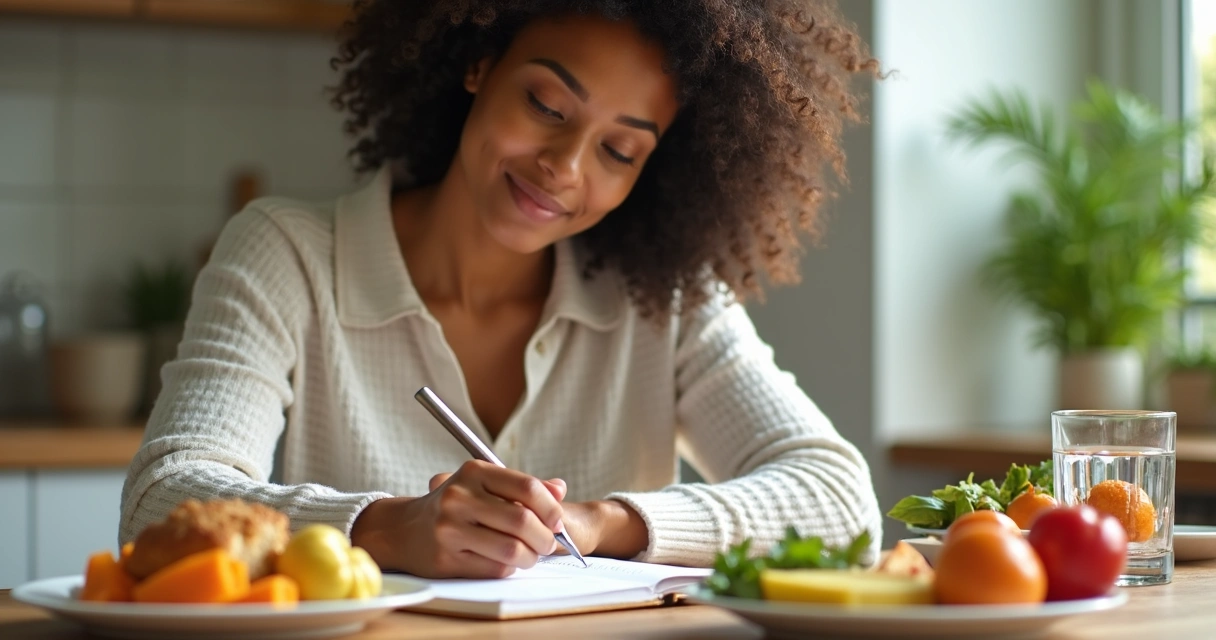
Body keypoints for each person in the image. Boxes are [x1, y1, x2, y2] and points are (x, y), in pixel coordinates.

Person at [120, 0, 884, 579]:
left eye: (618, 151)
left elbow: (840, 502)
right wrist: (383, 528)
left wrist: (598, 522)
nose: (565, 166)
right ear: (480, 63)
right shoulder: (291, 254)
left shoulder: (668, 299)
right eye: (547, 107)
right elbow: (161, 503)